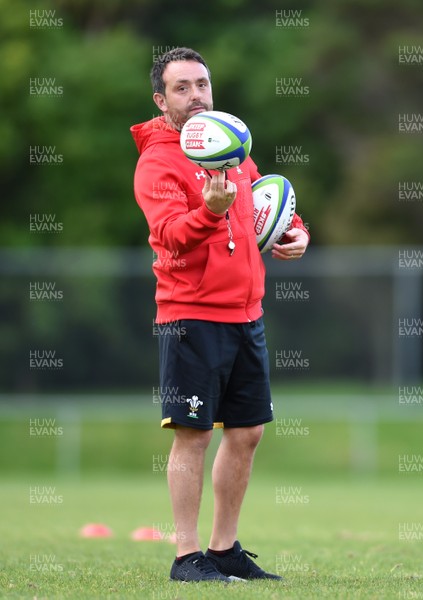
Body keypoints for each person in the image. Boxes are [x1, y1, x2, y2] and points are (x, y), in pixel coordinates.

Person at [130, 47, 309, 583]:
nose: (196, 96)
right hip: (191, 315)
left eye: (202, 84)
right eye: (182, 88)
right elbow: (168, 239)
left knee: (248, 432)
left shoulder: (232, 143)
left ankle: (225, 549)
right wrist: (207, 212)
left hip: (245, 312)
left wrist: (294, 233)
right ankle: (187, 557)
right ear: (162, 100)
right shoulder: (157, 162)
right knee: (194, 434)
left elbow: (261, 206)